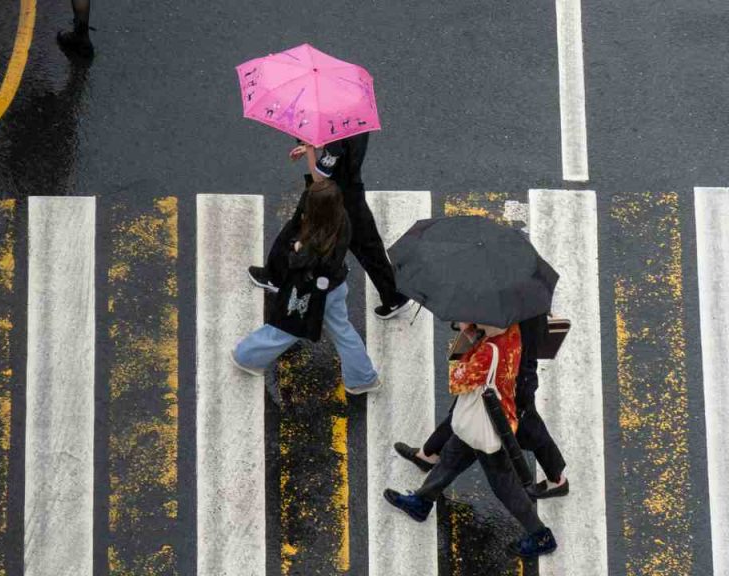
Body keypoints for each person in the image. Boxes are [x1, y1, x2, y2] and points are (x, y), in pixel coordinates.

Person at [383, 322, 558, 558]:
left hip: (487, 426)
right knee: (450, 458)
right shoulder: (513, 332)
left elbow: (457, 380)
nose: (464, 319)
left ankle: (541, 536)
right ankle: (422, 501)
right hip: (494, 414)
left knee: (505, 486)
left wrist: (466, 343)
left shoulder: (487, 351)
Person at [231, 178, 381, 395]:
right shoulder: (342, 220)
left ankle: (247, 356)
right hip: (334, 288)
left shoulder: (316, 235)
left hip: (310, 293)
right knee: (341, 331)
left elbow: (299, 262)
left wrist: (298, 247)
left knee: (288, 326)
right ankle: (361, 378)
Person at [393, 314, 569, 499]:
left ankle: (556, 479)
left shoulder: (506, 314)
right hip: (512, 370)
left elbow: (459, 380)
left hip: (512, 376)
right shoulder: (525, 298)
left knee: (527, 425)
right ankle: (429, 454)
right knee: (468, 409)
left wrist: (468, 335)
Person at [247, 135, 412, 320]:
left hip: (328, 198)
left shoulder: (335, 140)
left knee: (295, 230)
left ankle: (275, 276)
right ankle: (393, 296)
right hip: (353, 192)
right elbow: (341, 150)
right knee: (369, 248)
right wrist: (320, 145)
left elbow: (319, 178)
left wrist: (310, 149)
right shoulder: (356, 125)